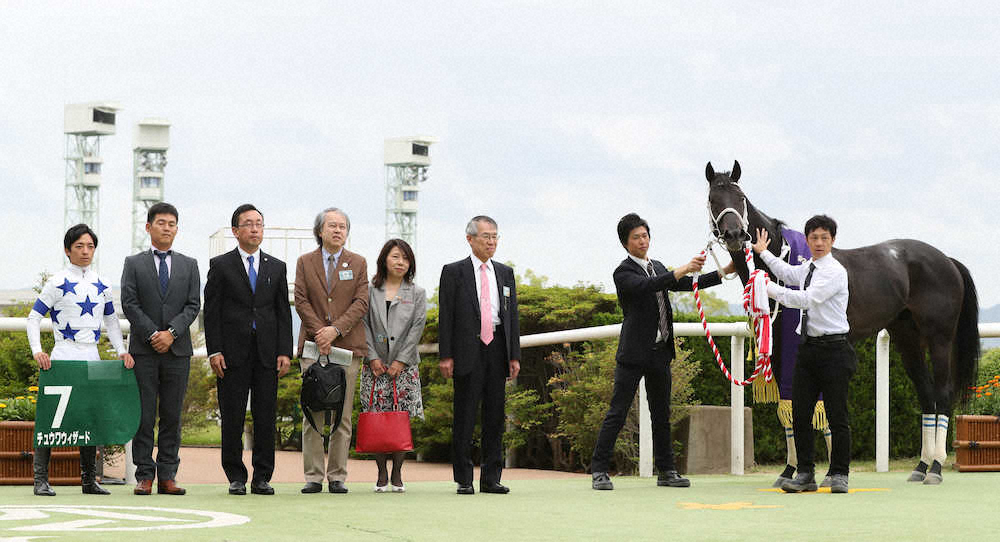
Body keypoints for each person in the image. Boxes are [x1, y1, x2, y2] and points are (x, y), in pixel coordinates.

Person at [591, 213, 733, 490]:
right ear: (625, 243)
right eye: (636, 237)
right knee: (617, 412)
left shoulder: (655, 266)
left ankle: (667, 471)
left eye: (645, 235)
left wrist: (722, 272)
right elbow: (647, 286)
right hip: (633, 355)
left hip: (659, 352)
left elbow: (684, 284)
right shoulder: (623, 272)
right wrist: (681, 269)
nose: (642, 240)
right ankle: (599, 470)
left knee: (661, 413)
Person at [26, 224, 135, 496]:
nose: (85, 252)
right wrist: (37, 350)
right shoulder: (57, 281)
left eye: (90, 246)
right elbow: (33, 317)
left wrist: (121, 350)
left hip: (92, 356)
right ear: (67, 250)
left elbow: (111, 321)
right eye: (79, 246)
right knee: (51, 418)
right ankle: (41, 480)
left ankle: (88, 480)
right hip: (62, 356)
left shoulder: (103, 283)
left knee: (91, 418)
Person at [753, 215, 854, 494]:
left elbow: (807, 299)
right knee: (800, 414)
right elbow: (788, 273)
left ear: (833, 240)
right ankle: (806, 474)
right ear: (807, 240)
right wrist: (763, 255)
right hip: (808, 349)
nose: (819, 243)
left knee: (837, 414)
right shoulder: (808, 266)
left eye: (824, 238)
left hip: (834, 349)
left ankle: (840, 473)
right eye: (814, 238)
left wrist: (767, 289)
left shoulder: (834, 272)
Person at [204, 204, 293, 496]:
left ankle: (262, 476)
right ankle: (235, 475)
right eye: (249, 224)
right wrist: (214, 350)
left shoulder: (276, 267)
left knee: (266, 416)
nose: (255, 229)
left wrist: (284, 351)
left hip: (267, 353)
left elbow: (283, 312)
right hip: (231, 353)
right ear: (235, 231)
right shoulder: (220, 265)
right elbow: (212, 313)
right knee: (232, 416)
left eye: (259, 224)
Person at [120, 202, 201, 496]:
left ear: (177, 229)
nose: (167, 228)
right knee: (143, 415)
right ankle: (144, 475)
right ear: (148, 227)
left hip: (178, 352)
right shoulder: (134, 263)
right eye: (161, 223)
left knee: (172, 415)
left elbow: (193, 305)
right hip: (144, 350)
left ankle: (168, 475)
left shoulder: (189, 265)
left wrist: (173, 332)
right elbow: (129, 303)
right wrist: (154, 333)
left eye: (172, 224)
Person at [438, 216, 520, 495]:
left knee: (495, 416)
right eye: (486, 236)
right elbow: (446, 316)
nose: (491, 241)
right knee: (465, 415)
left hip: (497, 348)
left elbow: (512, 318)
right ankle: (464, 478)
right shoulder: (453, 271)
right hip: (466, 350)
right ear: (470, 238)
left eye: (495, 236)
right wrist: (446, 355)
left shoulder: (505, 273)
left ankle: (491, 478)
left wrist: (514, 355)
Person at [293, 207, 369, 494]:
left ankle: (338, 475)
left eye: (343, 226)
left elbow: (361, 302)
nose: (338, 230)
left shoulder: (358, 263)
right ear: (320, 231)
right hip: (313, 347)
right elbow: (300, 300)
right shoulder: (304, 262)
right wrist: (320, 333)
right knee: (312, 412)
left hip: (347, 347)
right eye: (332, 226)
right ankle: (313, 475)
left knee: (342, 414)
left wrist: (335, 330)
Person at [361, 239, 426, 493]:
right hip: (374, 366)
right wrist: (373, 357)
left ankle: (398, 473)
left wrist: (401, 360)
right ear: (384, 260)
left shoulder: (417, 293)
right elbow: (363, 325)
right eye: (396, 257)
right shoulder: (368, 290)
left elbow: (417, 328)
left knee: (401, 418)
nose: (401, 262)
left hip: (405, 367)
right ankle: (380, 473)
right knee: (376, 416)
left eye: (406, 259)